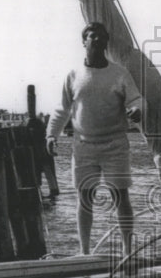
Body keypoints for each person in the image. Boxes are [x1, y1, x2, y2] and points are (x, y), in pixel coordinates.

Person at [46, 22, 143, 257]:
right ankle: (85, 252)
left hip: (115, 145)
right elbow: (62, 109)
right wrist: (51, 134)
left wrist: (136, 109)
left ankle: (128, 251)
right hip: (84, 146)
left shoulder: (119, 73)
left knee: (121, 195)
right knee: (85, 197)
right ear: (84, 42)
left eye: (101, 37)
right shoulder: (73, 76)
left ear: (106, 43)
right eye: (92, 37)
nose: (97, 41)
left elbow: (136, 100)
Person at [26, 112, 59, 203]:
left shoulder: (34, 138)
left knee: (39, 178)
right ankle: (52, 194)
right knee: (49, 178)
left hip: (39, 157)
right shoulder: (43, 137)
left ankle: (44, 193)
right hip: (43, 156)